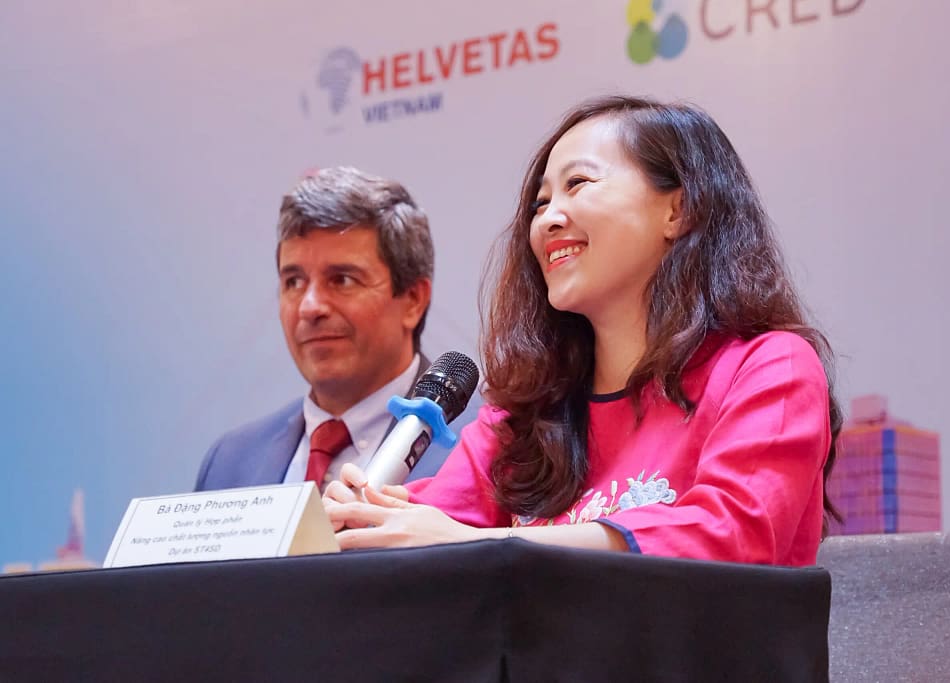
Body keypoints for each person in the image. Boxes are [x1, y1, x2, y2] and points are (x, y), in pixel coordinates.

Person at [322, 96, 842, 565]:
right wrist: (365, 520)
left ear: (679, 210)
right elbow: (435, 530)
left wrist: (488, 542)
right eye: (540, 203)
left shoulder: (770, 367)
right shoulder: (524, 414)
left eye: (578, 184)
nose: (548, 220)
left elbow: (732, 535)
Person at [195, 166, 471, 492]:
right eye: (293, 282)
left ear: (413, 300)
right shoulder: (229, 462)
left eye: (342, 280)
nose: (310, 307)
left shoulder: (489, 445)